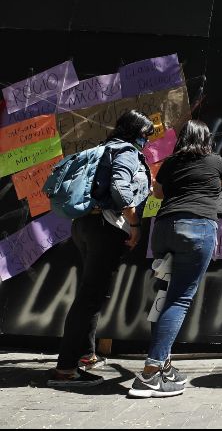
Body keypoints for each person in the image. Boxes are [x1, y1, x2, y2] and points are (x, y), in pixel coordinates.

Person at [128, 119, 222, 398]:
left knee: (164, 296)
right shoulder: (215, 160)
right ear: (207, 139)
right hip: (197, 228)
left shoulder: (170, 163)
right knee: (178, 299)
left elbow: (158, 192)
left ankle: (164, 366)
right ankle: (150, 374)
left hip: (164, 228)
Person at [48, 110, 154, 387]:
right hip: (106, 229)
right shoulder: (128, 152)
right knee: (89, 298)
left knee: (91, 292)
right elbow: (120, 190)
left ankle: (86, 355)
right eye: (146, 135)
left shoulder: (104, 148)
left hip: (84, 226)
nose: (147, 142)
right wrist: (134, 224)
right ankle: (65, 370)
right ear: (137, 134)